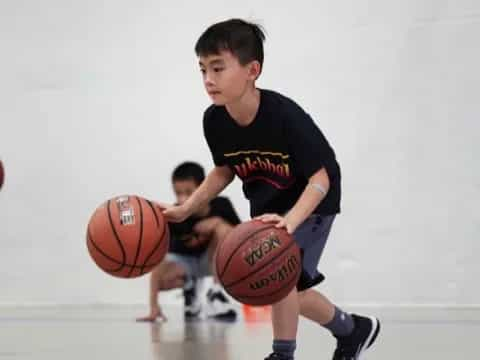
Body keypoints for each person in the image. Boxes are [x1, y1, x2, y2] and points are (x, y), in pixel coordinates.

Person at [163, 19, 380, 359]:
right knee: (289, 288)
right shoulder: (215, 120)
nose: (208, 79)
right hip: (269, 208)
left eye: (218, 68)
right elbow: (224, 171)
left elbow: (320, 179)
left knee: (282, 280)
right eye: (203, 69)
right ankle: (353, 330)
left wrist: (291, 221)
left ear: (253, 70)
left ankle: (283, 354)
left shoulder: (284, 116)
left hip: (313, 203)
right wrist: (187, 207)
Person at [137, 161, 240, 322]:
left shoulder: (222, 205)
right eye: (178, 193)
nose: (182, 198)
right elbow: (158, 261)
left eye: (188, 192)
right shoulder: (174, 214)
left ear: (203, 189)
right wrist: (153, 306)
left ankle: (216, 293)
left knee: (224, 230)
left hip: (212, 262)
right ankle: (189, 288)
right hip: (186, 265)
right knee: (158, 264)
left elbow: (240, 239)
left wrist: (216, 222)